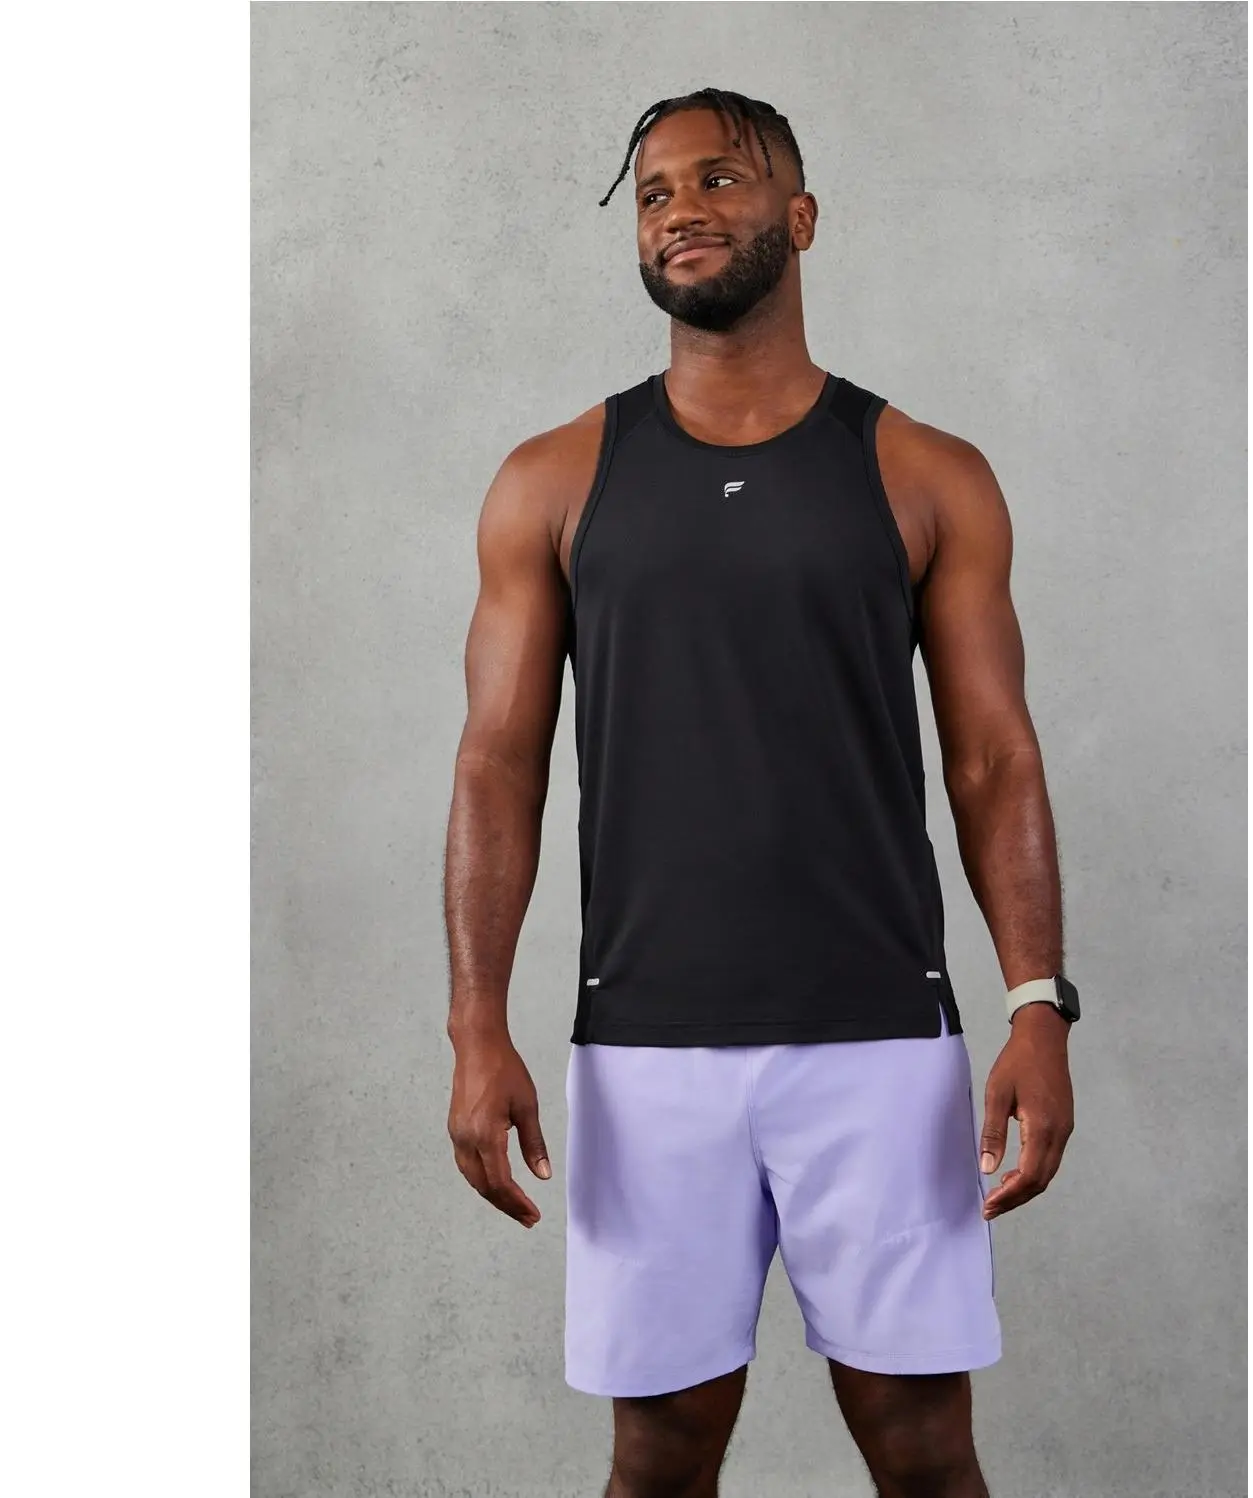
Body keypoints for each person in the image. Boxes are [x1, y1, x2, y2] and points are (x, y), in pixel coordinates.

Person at [444, 88, 1079, 1498]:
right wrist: (474, 1023)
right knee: (660, 1450)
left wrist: (1036, 1002)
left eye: (718, 178)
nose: (680, 208)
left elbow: (995, 756)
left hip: (879, 1038)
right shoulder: (551, 480)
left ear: (799, 216)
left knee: (922, 1443)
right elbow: (496, 761)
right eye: (654, 191)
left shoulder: (925, 472)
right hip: (645, 1046)